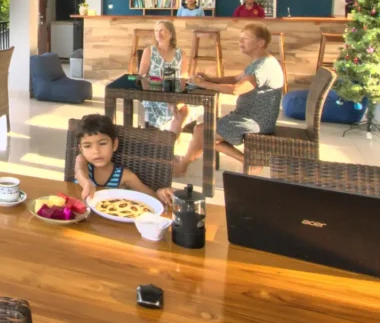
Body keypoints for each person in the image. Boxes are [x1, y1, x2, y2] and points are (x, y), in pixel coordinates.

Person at [174, 24, 284, 176]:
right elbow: (235, 78)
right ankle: (249, 161)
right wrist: (210, 79)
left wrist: (205, 84)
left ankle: (183, 166)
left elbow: (236, 88)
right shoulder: (260, 61)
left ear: (261, 43)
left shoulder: (264, 67)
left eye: (245, 38)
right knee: (203, 131)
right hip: (249, 117)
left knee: (201, 131)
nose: (240, 42)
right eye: (240, 39)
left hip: (254, 122)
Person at [73, 114, 174, 205]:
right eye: (87, 146)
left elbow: (151, 198)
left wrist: (161, 194)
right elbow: (79, 172)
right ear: (81, 149)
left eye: (102, 143)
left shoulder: (124, 176)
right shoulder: (82, 161)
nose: (96, 151)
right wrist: (86, 183)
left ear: (114, 144)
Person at [137, 20, 191, 132]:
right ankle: (165, 143)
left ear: (171, 34)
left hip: (174, 94)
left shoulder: (181, 54)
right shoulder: (149, 51)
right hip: (153, 95)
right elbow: (142, 77)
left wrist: (172, 99)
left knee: (184, 111)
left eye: (162, 30)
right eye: (156, 30)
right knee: (171, 110)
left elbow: (182, 82)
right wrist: (166, 97)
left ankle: (168, 144)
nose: (158, 33)